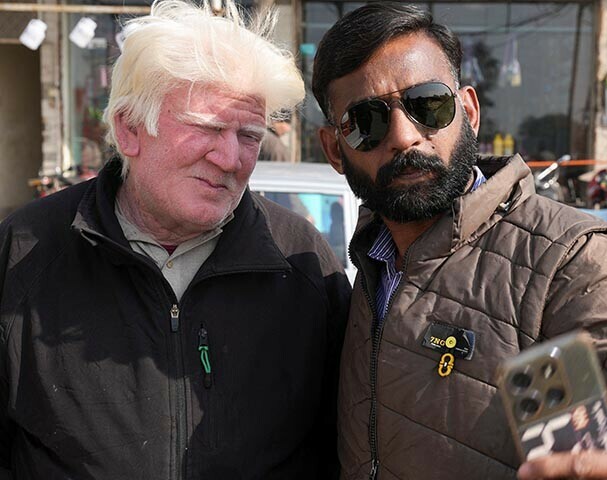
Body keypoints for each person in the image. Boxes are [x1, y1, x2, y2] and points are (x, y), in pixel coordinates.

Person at [311, 3, 607, 479]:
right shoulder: (370, 260)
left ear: (469, 111)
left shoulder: (569, 257)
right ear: (335, 148)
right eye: (367, 122)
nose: (403, 136)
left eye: (428, 105)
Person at [0, 1, 350, 478]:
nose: (230, 159)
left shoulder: (302, 262)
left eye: (249, 135)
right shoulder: (26, 252)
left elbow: (344, 447)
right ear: (129, 129)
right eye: (206, 128)